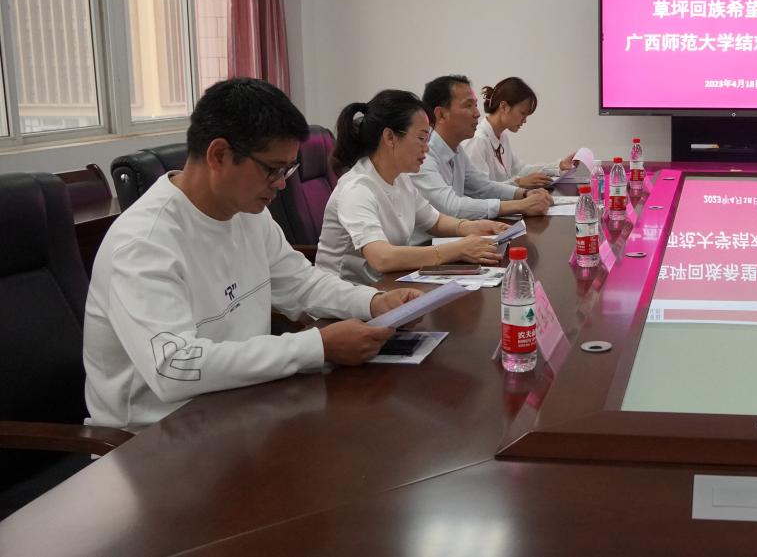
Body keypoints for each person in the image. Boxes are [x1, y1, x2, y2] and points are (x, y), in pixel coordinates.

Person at [83, 78, 420, 431]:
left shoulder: (248, 213)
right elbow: (177, 368)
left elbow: (302, 284)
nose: (282, 183)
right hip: (157, 439)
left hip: (242, 406)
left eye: (288, 169)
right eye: (273, 169)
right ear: (218, 155)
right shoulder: (143, 242)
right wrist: (316, 346)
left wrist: (374, 303)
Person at [317, 89, 508, 286]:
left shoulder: (401, 179)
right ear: (390, 137)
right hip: (344, 297)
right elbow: (382, 258)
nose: (427, 147)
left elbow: (434, 221)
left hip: (387, 286)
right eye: (421, 138)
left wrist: (472, 227)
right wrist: (457, 249)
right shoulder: (357, 189)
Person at [415, 74, 553, 219]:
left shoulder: (456, 150)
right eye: (468, 105)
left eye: (475, 105)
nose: (477, 113)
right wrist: (520, 205)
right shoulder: (422, 154)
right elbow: (451, 206)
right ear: (441, 114)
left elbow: (482, 187)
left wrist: (524, 194)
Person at [462, 76, 576, 189]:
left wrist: (559, 166)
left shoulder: (502, 137)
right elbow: (479, 190)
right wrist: (518, 183)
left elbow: (521, 170)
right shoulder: (477, 141)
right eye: (522, 113)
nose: (524, 120)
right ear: (504, 107)